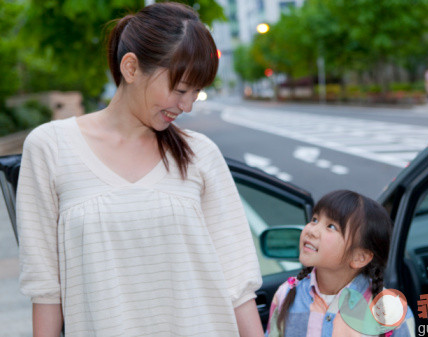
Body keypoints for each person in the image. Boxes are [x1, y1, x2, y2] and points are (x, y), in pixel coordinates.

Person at [16, 2, 263, 336]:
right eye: (180, 90)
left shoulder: (200, 154)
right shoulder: (50, 147)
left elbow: (238, 281)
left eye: (196, 92)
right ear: (130, 68)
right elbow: (45, 286)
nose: (187, 105)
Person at [265, 190, 415, 337]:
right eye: (315, 219)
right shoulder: (286, 294)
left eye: (331, 226)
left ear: (360, 257)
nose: (312, 230)